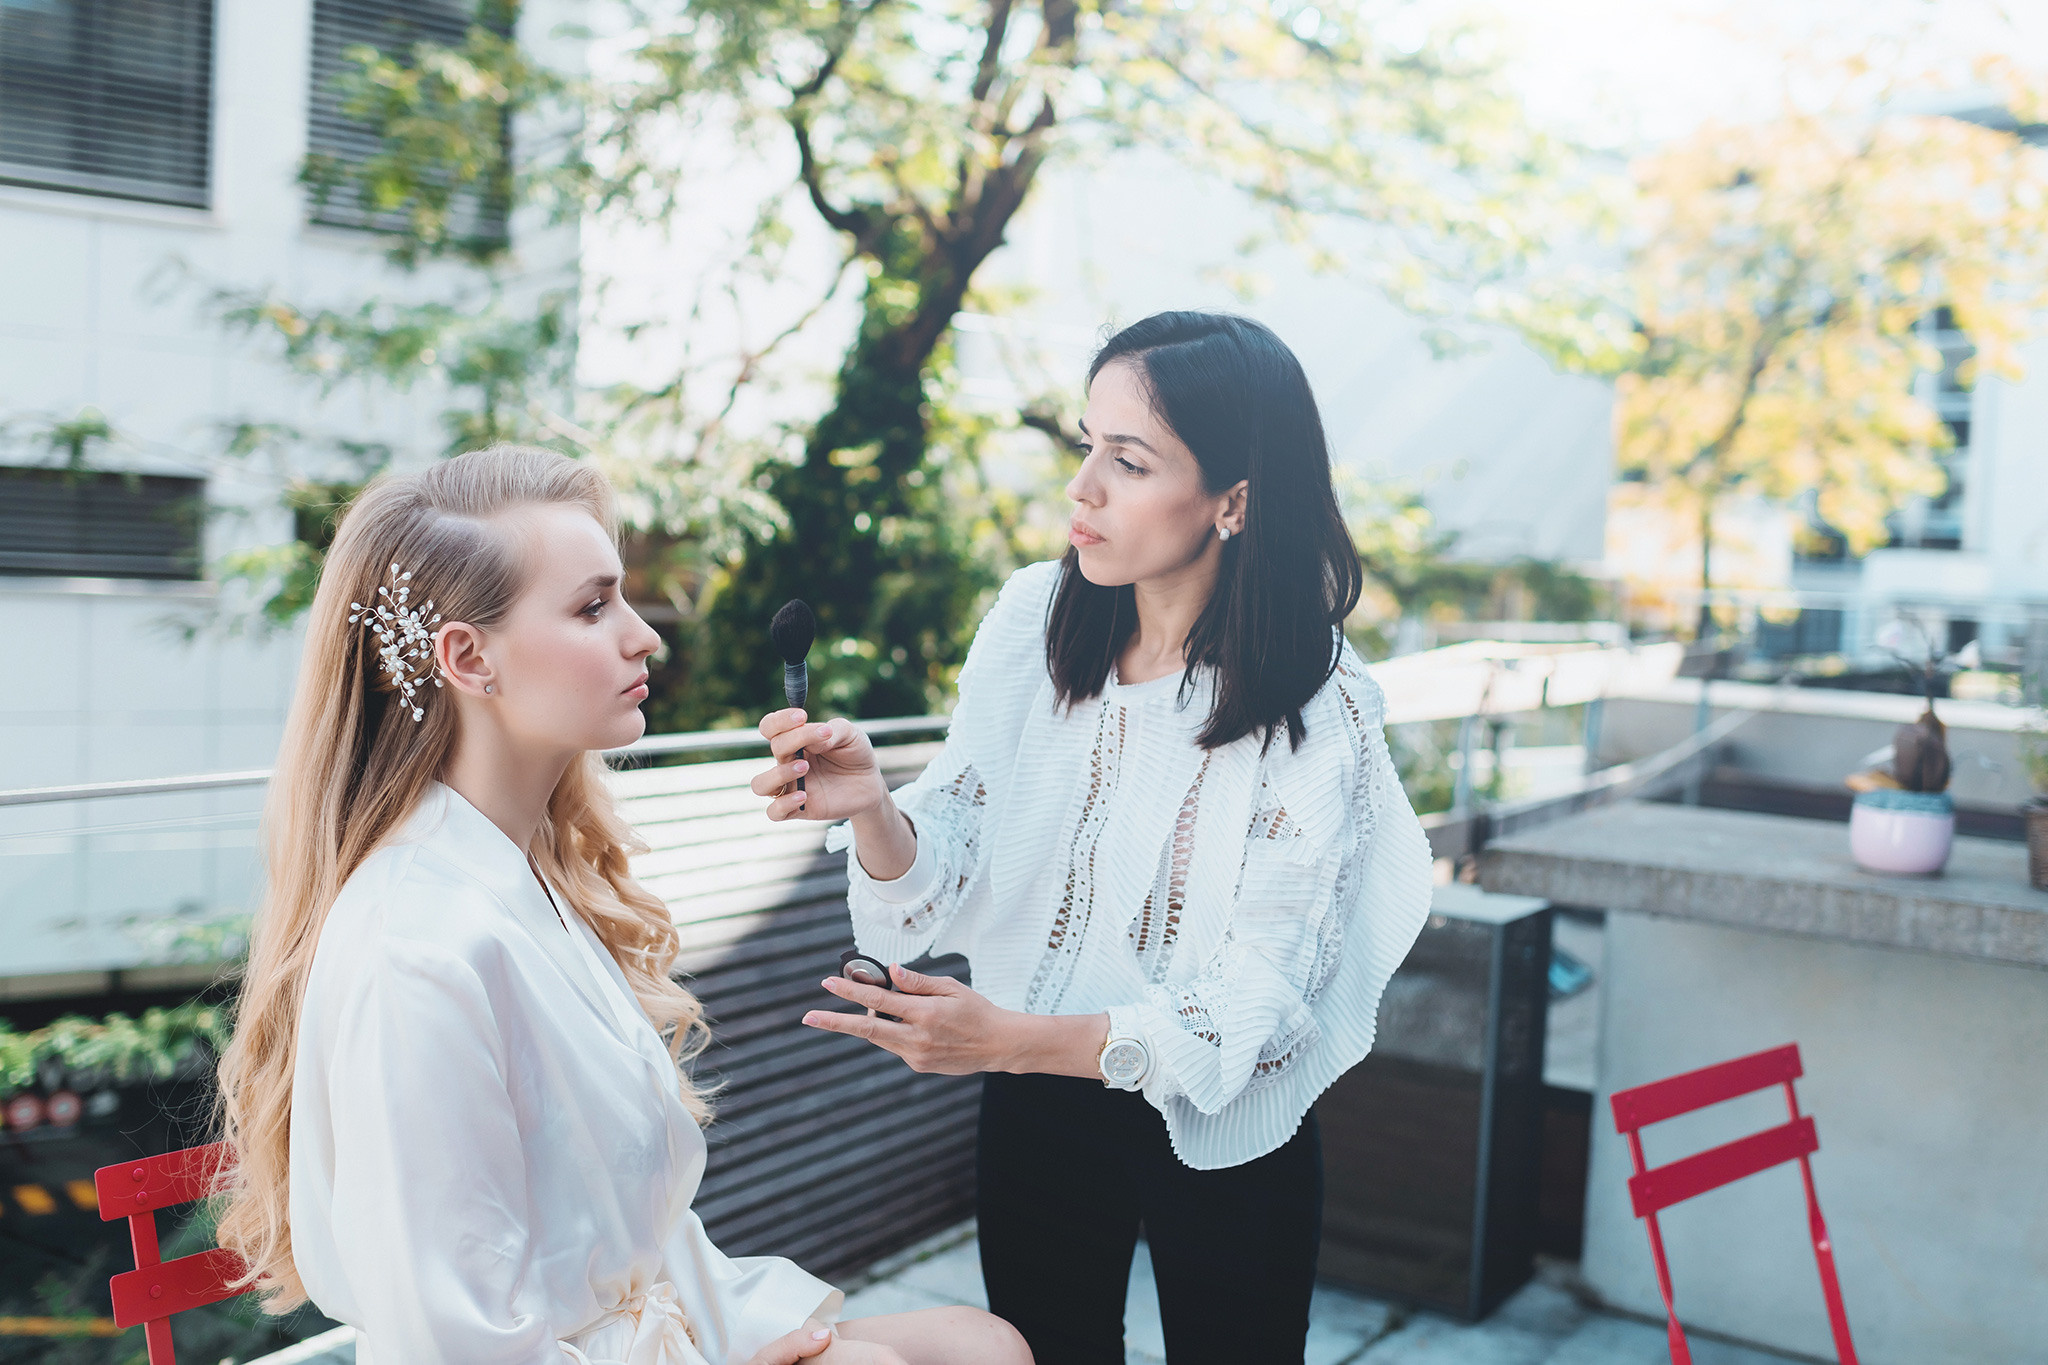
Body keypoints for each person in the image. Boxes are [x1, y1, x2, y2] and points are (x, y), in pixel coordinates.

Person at [214, 445, 1032, 1365]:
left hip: (657, 1325)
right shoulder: (418, 950)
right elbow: (455, 1341)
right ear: (468, 656)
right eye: (593, 606)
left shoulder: (525, 876)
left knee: (979, 1341)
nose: (644, 635)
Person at [753, 313, 1435, 1365]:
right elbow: (950, 860)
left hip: (1224, 1121)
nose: (1082, 488)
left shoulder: (1319, 700)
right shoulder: (1036, 619)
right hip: (1036, 1098)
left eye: (1127, 459)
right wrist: (874, 810)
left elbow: (1260, 1000)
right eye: (1085, 446)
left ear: (1234, 500)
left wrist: (1004, 1040)